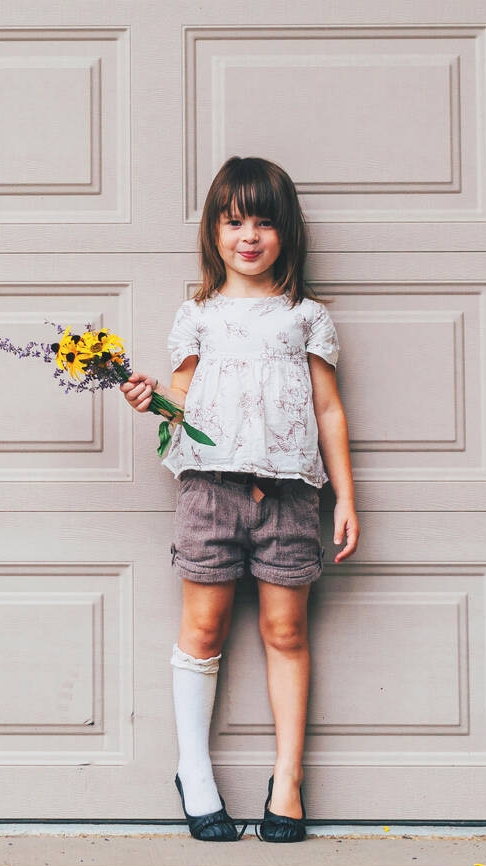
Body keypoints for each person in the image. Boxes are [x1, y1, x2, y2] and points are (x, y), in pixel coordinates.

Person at [120, 156, 359, 843]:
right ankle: (195, 772)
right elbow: (182, 401)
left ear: (286, 232)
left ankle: (288, 781)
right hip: (208, 492)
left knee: (285, 634)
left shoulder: (304, 317)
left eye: (263, 221)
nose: (248, 235)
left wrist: (345, 497)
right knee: (202, 632)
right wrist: (149, 400)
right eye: (233, 222)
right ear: (214, 231)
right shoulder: (196, 316)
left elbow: (329, 410)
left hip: (288, 497)